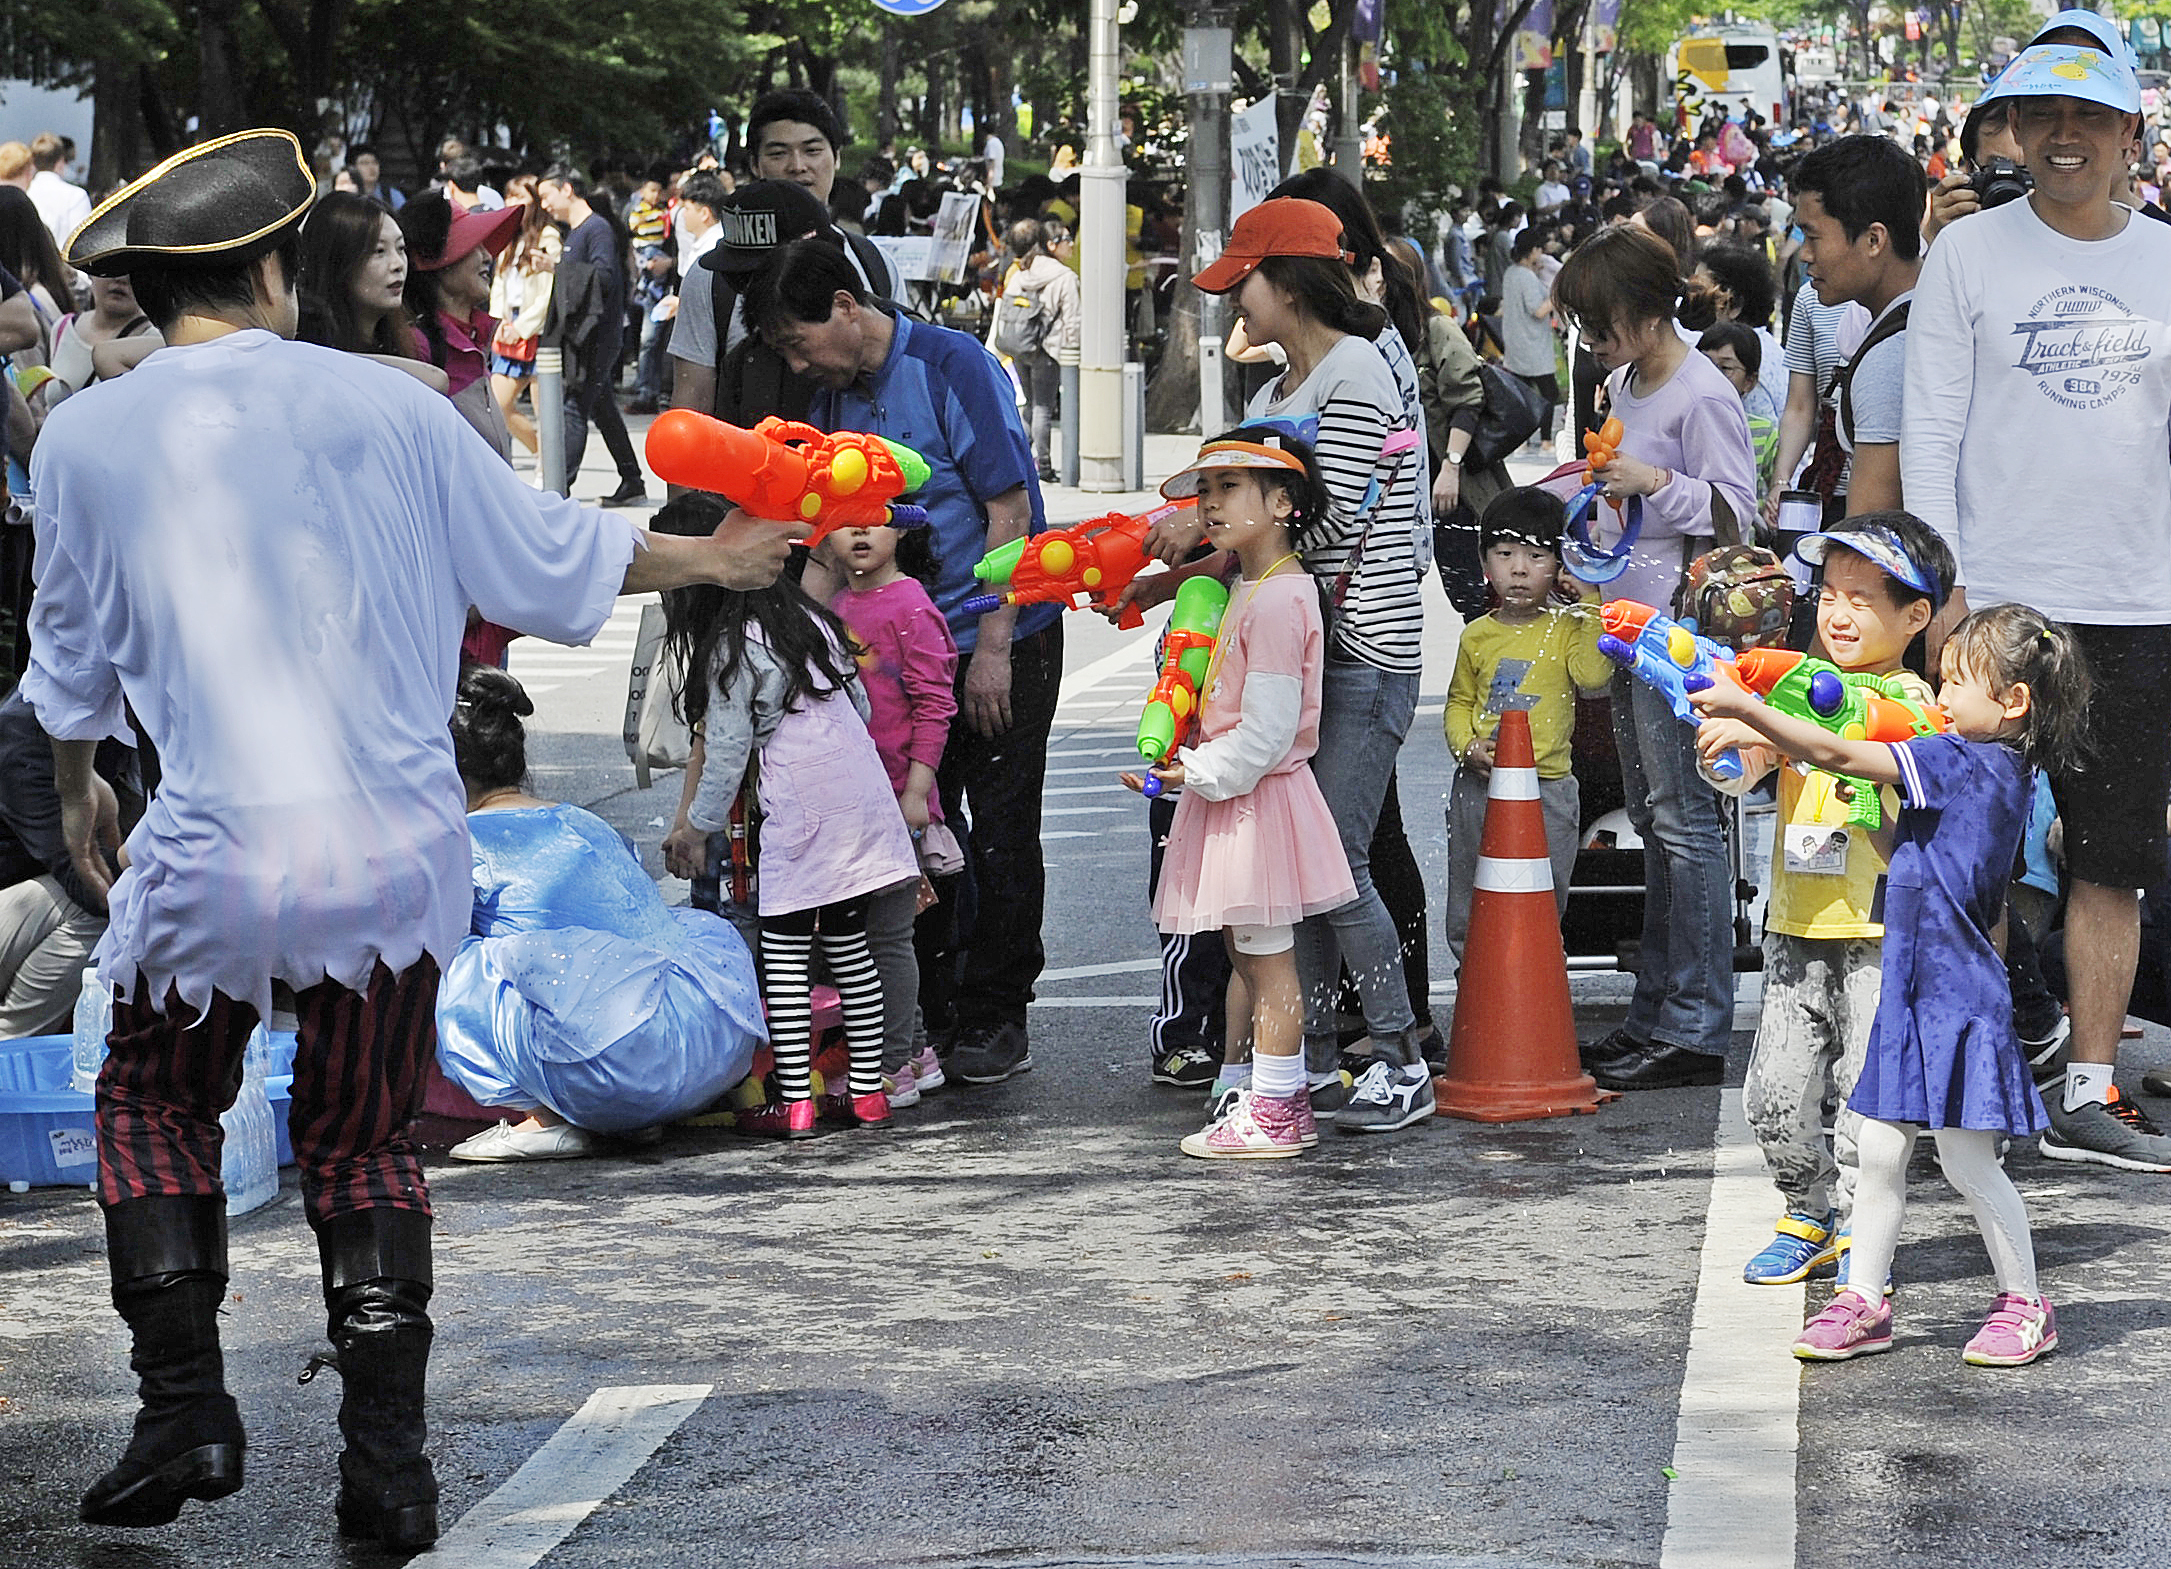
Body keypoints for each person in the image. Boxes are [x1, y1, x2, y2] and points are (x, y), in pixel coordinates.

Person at [32, 127, 797, 1547]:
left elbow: (68, 656)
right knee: (360, 1140)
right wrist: (718, 555)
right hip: (388, 857)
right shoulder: (388, 408)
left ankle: (182, 1405)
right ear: (271, 269)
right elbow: (546, 555)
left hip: (206, 850)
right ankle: (387, 1465)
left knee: (151, 1104)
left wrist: (83, 784)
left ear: (151, 286)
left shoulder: (82, 432)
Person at [1901, 21, 2171, 1171]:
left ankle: (2091, 1084)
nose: (2063, 137)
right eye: (2040, 118)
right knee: (1978, 855)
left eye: (2088, 119)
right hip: (1999, 605)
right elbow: (1931, 422)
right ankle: (1980, 1077)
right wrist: (1938, 590)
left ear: (2128, 138)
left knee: (2110, 858)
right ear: (2013, 132)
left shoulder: (2163, 260)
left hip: (2137, 596)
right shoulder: (1967, 256)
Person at [1693, 603, 2092, 1367]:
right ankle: (1862, 1298)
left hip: (1954, 999)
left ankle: (2024, 1303)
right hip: (1914, 990)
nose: (1939, 698)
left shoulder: (1963, 758)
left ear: (2011, 703)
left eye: (1955, 683)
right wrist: (1862, 796)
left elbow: (1842, 754)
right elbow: (1896, 840)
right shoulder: (1986, 762)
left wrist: (1751, 709)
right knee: (1878, 1154)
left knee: (1970, 1163)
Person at [1142, 197, 1432, 1132]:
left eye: (1245, 286)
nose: (1237, 308)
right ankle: (1284, 1068)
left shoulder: (1353, 372)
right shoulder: (1276, 396)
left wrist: (1214, 522)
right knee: (1292, 879)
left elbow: (1332, 521)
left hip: (1363, 649)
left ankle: (1397, 1052)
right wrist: (1183, 561)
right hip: (1305, 653)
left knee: (1335, 864)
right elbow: (1270, 534)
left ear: (1292, 283)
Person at [744, 237, 1055, 1087]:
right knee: (904, 828)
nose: (801, 361)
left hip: (993, 637)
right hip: (883, 653)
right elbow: (823, 538)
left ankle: (996, 1011)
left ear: (846, 306)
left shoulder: (953, 365)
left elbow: (1008, 507)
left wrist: (990, 649)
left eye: (800, 340)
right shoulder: (832, 403)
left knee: (996, 831)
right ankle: (929, 1012)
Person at [1700, 515, 1952, 1288]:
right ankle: (1802, 1209)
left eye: (1861, 598)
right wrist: (1726, 742)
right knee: (1775, 1085)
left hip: (1879, 925)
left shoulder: (1912, 702)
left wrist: (1770, 716)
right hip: (1795, 920)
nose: (1836, 613)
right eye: (1828, 594)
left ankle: (1854, 1218)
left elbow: (1853, 753)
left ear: (1915, 616)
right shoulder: (1798, 681)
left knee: (1861, 1096)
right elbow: (1748, 769)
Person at [1548, 223, 1755, 1091]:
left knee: (1682, 824)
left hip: (1680, 637)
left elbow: (1739, 515)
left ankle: (1695, 1022)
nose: (1592, 342)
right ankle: (1657, 1011)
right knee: (1655, 816)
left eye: (1600, 324)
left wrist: (1654, 485)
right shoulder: (1624, 382)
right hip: (1629, 624)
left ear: (1642, 310)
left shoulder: (1700, 393)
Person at [1124, 428, 1356, 1158]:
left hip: (1253, 798)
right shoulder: (1250, 585)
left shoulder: (1283, 595)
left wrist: (1192, 771)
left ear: (1283, 502)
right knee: (1249, 955)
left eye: (1230, 487)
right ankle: (1265, 1096)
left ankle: (1279, 1109)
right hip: (1234, 793)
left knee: (1269, 959)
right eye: (1206, 489)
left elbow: (1267, 733)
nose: (1210, 503)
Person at [436, 664, 766, 1160]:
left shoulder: (467, 842)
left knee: (446, 960)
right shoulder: (583, 820)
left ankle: (544, 1118)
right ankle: (625, 1118)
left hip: (618, 1072)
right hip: (711, 1045)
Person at [669, 544, 917, 1139]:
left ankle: (793, 1100)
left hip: (802, 801)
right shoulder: (814, 623)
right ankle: (867, 1093)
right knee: (849, 942)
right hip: (859, 791)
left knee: (783, 956)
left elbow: (727, 751)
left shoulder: (734, 645)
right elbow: (859, 703)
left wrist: (698, 826)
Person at [810, 513, 958, 1108]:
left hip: (898, 797)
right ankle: (917, 1053)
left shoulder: (911, 605)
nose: (861, 535)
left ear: (903, 532)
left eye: (876, 522)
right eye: (845, 525)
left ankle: (892, 1064)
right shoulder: (836, 605)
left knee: (888, 937)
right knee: (862, 937)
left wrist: (918, 791)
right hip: (852, 795)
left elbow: (934, 702)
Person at [1442, 490, 1610, 968]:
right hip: (1479, 786)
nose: (1519, 569)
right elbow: (1457, 703)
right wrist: (1466, 745)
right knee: (1470, 892)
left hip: (1549, 788)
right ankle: (1473, 974)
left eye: (1536, 556)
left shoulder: (1566, 625)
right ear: (1484, 563)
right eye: (1505, 554)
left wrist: (1591, 599)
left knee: (1542, 893)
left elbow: (1594, 677)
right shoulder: (1476, 634)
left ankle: (1534, 978)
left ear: (1559, 564)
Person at [669, 90, 900, 428]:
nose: (798, 167)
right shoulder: (711, 275)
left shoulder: (874, 263)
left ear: (836, 158)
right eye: (779, 153)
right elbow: (692, 407)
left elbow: (901, 378)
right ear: (754, 165)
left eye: (813, 150)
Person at [1788, 136, 1926, 519]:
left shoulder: (1890, 359)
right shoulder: (1933, 316)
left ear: (1873, 239)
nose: (1804, 255)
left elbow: (1869, 537)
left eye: (1813, 237)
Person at [0, 686, 136, 1036]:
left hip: (22, 909)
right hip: (16, 908)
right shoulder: (25, 742)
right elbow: (90, 886)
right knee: (107, 908)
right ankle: (10, 1043)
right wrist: (170, 835)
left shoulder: (108, 725)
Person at [536, 165, 647, 506]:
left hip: (597, 336)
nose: (544, 205)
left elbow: (604, 277)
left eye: (546, 195)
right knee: (601, 408)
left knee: (574, 407)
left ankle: (557, 491)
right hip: (587, 335)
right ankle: (633, 480)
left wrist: (556, 268)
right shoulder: (578, 231)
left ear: (566, 189)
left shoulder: (595, 229)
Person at [399, 190, 525, 457]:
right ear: (437, 262)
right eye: (472, 246)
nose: (487, 257)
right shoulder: (417, 347)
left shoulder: (473, 337)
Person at [992, 218, 1079, 483]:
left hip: (1019, 346)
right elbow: (1073, 319)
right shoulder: (1065, 277)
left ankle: (1018, 458)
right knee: (1043, 407)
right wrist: (1073, 352)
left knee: (1029, 405)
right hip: (1047, 348)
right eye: (1067, 239)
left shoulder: (1021, 273)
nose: (1071, 243)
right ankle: (1044, 465)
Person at [486, 173, 561, 455]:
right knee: (497, 402)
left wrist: (523, 326)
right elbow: (499, 284)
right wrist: (500, 322)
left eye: (520, 196)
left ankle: (549, 468)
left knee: (546, 411)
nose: (512, 202)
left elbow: (547, 291)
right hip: (509, 325)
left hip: (539, 330)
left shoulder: (548, 236)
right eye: (509, 195)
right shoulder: (509, 237)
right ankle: (543, 453)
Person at [1693, 241, 1786, 415]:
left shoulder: (1743, 360)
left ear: (1734, 305)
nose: (1691, 299)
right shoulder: (1764, 346)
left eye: (1700, 291)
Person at [40, 272, 157, 408]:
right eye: (110, 266)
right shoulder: (62, 327)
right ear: (90, 273)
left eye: (132, 270)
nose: (120, 278)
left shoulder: (155, 344)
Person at [1696, 321, 1779, 492]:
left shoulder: (1764, 432)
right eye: (1705, 363)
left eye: (1725, 367)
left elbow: (1771, 488)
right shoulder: (1684, 425)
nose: (1713, 375)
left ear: (1749, 381)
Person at [1500, 230, 1559, 449]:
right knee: (1548, 394)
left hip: (1515, 342)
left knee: (1521, 397)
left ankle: (1521, 442)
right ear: (1533, 250)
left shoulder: (1511, 273)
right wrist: (1556, 296)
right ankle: (1545, 440)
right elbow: (1538, 310)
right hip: (1532, 345)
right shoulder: (1525, 276)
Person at [26, 132, 91, 252]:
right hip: (63, 266)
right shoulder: (76, 196)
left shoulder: (24, 193)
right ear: (60, 161)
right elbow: (82, 245)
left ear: (33, 162)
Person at [348, 143, 405, 211]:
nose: (372, 167)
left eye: (375, 162)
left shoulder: (390, 194)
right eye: (365, 163)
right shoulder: (348, 195)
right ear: (353, 168)